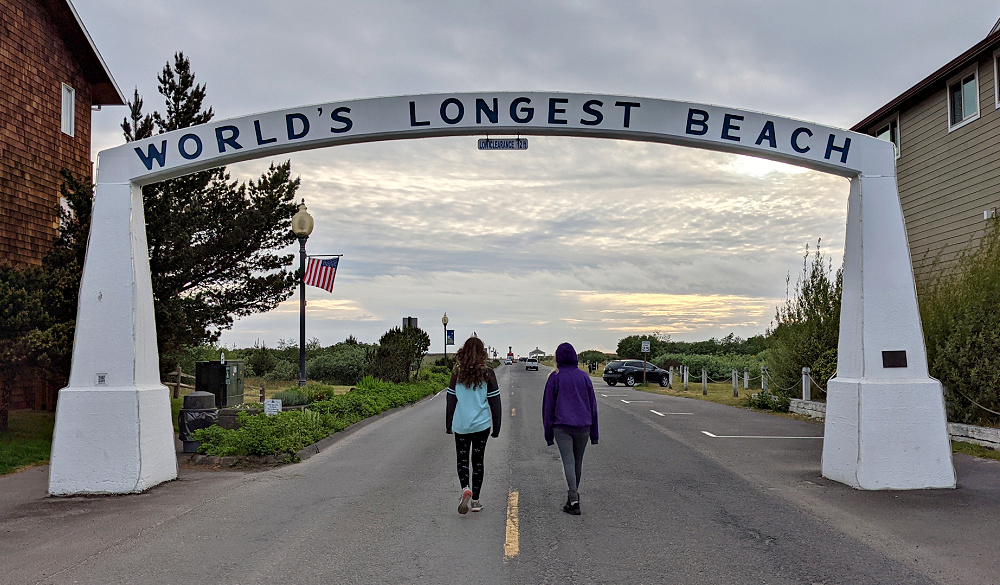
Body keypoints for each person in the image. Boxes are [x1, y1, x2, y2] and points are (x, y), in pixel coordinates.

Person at [445, 336, 501, 515]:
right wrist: (496, 426)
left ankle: (465, 488)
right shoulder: (488, 372)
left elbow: (451, 399)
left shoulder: (457, 371)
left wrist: (448, 423)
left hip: (461, 423)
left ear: (464, 351)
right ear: (482, 352)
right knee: (478, 462)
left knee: (462, 459)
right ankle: (476, 501)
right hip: (481, 424)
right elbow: (495, 402)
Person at [542, 342, 599, 515]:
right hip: (584, 425)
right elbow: (593, 406)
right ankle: (573, 496)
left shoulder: (555, 377)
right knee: (577, 460)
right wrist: (594, 434)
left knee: (568, 460)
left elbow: (548, 407)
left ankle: (573, 499)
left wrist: (548, 434)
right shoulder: (584, 377)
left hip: (562, 426)